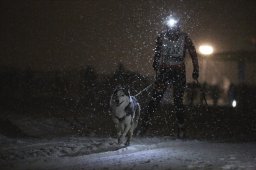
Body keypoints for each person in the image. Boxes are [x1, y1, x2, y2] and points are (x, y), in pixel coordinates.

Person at [139, 17, 199, 138]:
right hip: (165, 71)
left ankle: (181, 128)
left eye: (174, 28)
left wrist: (196, 69)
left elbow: (193, 53)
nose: (172, 31)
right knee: (155, 99)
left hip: (178, 72)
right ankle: (143, 126)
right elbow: (157, 52)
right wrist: (155, 63)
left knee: (177, 101)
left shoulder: (184, 37)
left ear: (178, 27)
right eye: (170, 28)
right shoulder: (161, 37)